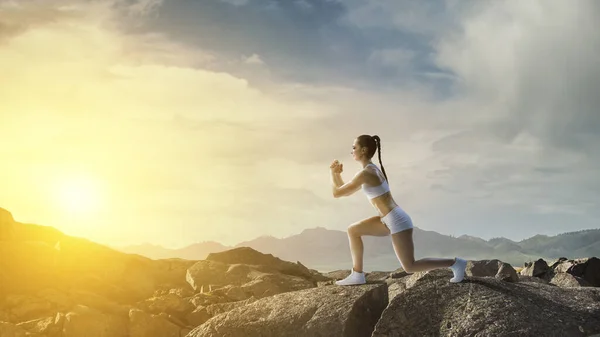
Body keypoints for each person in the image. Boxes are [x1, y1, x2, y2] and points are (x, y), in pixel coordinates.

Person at [330, 134, 467, 286]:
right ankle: (357, 275)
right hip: (386, 219)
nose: (352, 151)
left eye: (354, 148)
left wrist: (333, 174)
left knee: (410, 266)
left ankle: (456, 263)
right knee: (353, 230)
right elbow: (344, 192)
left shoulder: (366, 173)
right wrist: (336, 174)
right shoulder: (370, 170)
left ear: (363, 150)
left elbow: (337, 193)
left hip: (397, 221)